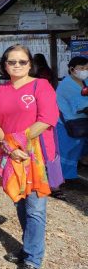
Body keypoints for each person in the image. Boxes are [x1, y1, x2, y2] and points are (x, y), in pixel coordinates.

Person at [0, 44, 59, 269]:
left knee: (36, 209)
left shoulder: (41, 86)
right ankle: (28, 247)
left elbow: (48, 119)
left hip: (35, 155)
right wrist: (9, 147)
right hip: (12, 155)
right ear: (5, 65)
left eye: (21, 62)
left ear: (30, 64)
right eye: (12, 62)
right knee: (20, 203)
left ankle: (32, 260)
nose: (17, 66)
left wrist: (18, 142)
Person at [55, 56, 88, 184]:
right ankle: (60, 181)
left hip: (82, 123)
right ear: (72, 69)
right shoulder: (66, 84)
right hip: (68, 123)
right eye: (82, 68)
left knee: (78, 149)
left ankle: (71, 175)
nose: (85, 70)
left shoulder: (85, 81)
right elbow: (81, 105)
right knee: (68, 151)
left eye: (87, 68)